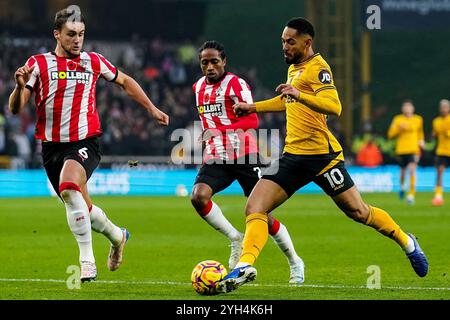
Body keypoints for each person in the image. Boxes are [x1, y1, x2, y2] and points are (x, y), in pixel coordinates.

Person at [215, 17, 428, 294]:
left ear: (307, 42)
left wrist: (300, 95)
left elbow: (334, 106)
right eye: (283, 41)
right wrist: (253, 107)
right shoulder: (295, 68)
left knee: (359, 212)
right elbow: (287, 99)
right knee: (255, 207)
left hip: (322, 157)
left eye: (290, 41)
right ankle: (245, 265)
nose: (285, 46)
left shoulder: (319, 68)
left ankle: (407, 241)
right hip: (293, 156)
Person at [8, 6, 169, 282]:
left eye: (81, 34)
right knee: (84, 207)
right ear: (56, 34)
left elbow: (126, 81)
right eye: (71, 34)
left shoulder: (93, 61)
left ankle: (87, 262)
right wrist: (20, 86)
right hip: (51, 148)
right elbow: (16, 108)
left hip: (86, 141)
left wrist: (151, 109)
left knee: (69, 186)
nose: (77, 40)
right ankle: (119, 237)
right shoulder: (38, 64)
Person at [191, 40, 304, 284]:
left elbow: (251, 121)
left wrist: (221, 130)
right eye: (204, 62)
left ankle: (295, 261)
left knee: (263, 214)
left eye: (214, 62)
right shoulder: (198, 87)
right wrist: (207, 134)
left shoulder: (235, 84)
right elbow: (209, 119)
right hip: (217, 156)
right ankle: (234, 238)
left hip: (245, 156)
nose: (209, 67)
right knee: (198, 196)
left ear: (224, 62)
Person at [388, 100, 424, 204]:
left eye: (409, 107)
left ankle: (411, 195)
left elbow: (420, 133)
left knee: (412, 170)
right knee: (403, 172)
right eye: (405, 107)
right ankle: (402, 187)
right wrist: (399, 129)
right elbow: (390, 134)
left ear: (413, 108)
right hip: (401, 150)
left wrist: (421, 141)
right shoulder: (398, 119)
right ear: (402, 109)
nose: (407, 109)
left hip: (413, 149)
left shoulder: (418, 119)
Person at [431, 99, 450, 206]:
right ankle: (438, 197)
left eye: (445, 107)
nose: (443, 109)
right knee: (439, 173)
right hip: (442, 150)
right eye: (442, 107)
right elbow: (435, 134)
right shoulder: (436, 121)